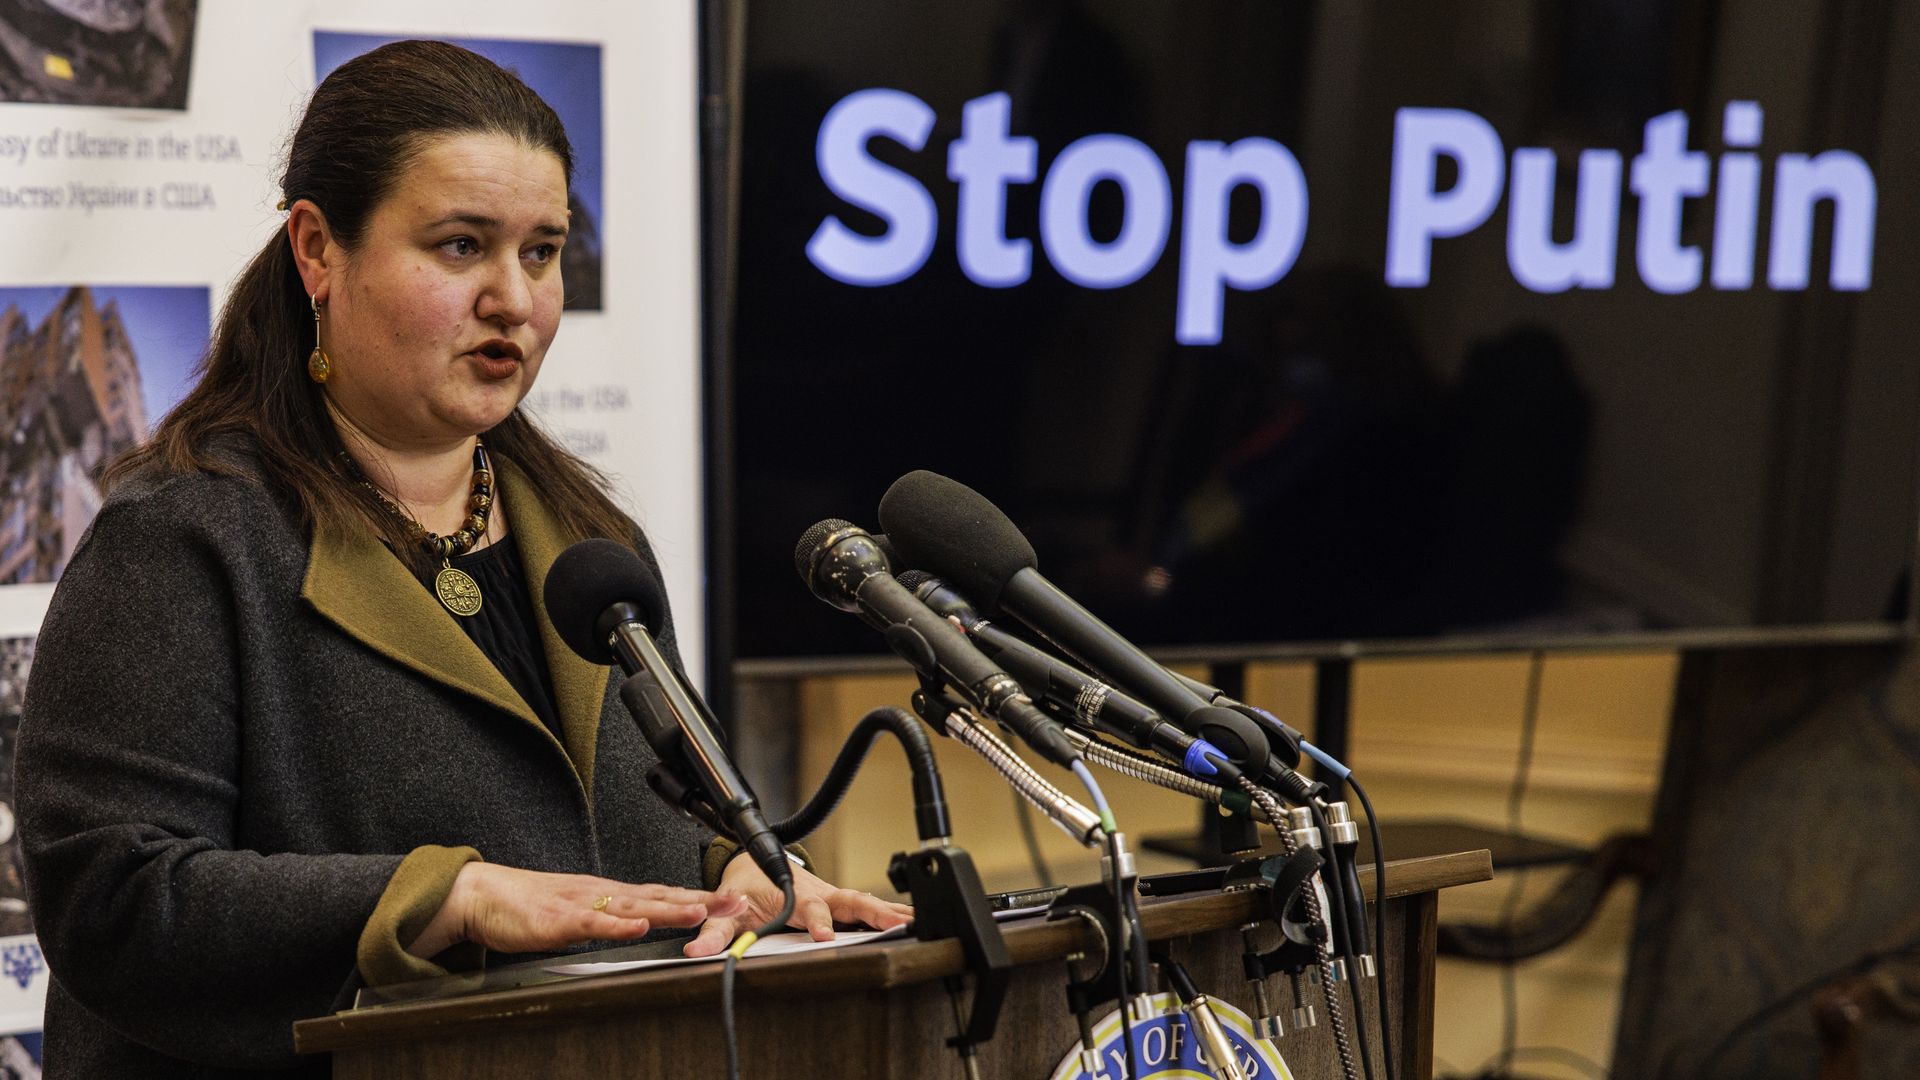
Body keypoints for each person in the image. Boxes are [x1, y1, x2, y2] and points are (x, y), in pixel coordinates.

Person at [15, 39, 908, 1077]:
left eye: (541, 251)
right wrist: (446, 896)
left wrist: (737, 876)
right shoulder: (186, 539)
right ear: (317, 251)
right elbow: (111, 899)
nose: (514, 300)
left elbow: (644, 826)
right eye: (459, 247)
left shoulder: (593, 547)